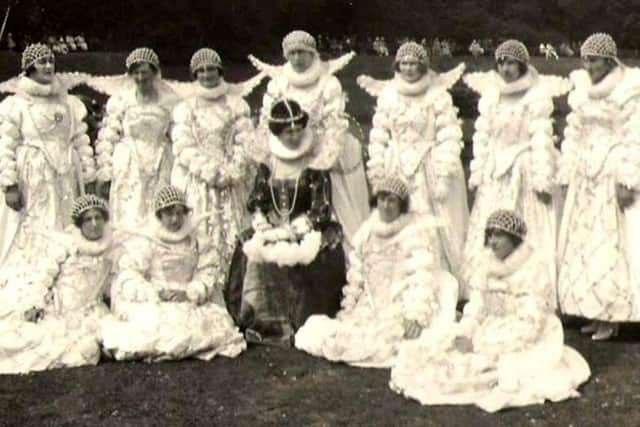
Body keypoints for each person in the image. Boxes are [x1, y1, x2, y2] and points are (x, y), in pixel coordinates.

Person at [390, 210, 591, 413]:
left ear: (514, 239)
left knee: (488, 368)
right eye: (490, 235)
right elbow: (476, 308)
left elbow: (530, 324)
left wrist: (480, 344)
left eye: (499, 236)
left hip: (526, 330)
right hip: (491, 325)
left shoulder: (532, 269)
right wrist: (467, 331)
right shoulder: (486, 265)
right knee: (443, 353)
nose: (493, 242)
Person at [294, 176, 458, 367]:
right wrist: (350, 307)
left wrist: (414, 315)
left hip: (400, 304)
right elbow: (357, 276)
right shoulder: (367, 232)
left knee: (388, 341)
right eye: (382, 199)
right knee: (337, 335)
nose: (386, 205)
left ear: (401, 206)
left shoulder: (413, 234)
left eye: (392, 200)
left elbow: (420, 278)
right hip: (370, 305)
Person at [226, 99, 346, 346]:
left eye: (297, 130)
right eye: (287, 131)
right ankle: (260, 320)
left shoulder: (314, 164)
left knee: (306, 256)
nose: (293, 136)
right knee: (252, 250)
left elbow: (320, 209)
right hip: (272, 227)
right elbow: (257, 199)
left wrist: (293, 230)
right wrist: (262, 223)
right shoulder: (269, 164)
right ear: (277, 133)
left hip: (306, 228)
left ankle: (297, 321)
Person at [461, 40, 569, 302]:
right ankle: (487, 286)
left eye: (511, 63)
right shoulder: (492, 95)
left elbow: (541, 137)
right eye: (501, 63)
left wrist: (542, 176)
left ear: (522, 65)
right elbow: (483, 136)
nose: (506, 68)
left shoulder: (536, 95)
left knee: (529, 222)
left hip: (525, 165)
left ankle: (531, 289)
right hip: (495, 167)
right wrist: (478, 171)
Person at [248, 30, 369, 251]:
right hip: (287, 146)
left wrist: (318, 158)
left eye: (301, 53)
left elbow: (334, 123)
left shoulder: (328, 83)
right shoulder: (278, 84)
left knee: (331, 202)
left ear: (312, 53)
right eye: (292, 53)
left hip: (321, 150)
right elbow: (268, 120)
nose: (297, 58)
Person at [358, 41, 468, 281]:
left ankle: (434, 274)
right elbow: (378, 134)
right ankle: (397, 272)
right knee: (396, 213)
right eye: (404, 64)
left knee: (427, 214)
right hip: (395, 162)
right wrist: (377, 170)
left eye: (413, 64)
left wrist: (443, 174)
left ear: (422, 66)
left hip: (427, 162)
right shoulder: (389, 94)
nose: (408, 68)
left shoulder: (437, 95)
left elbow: (448, 134)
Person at [101, 186, 246, 362]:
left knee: (204, 328)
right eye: (169, 214)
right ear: (159, 216)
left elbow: (207, 270)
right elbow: (130, 272)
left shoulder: (196, 240)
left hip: (187, 296)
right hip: (158, 298)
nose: (175, 219)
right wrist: (155, 292)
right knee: (156, 328)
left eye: (179, 213)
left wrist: (191, 292)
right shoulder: (149, 241)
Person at [557, 33, 640, 340]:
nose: (588, 65)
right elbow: (574, 133)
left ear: (608, 60)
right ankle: (589, 310)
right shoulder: (583, 92)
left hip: (613, 167)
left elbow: (635, 137)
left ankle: (613, 315)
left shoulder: (629, 91)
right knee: (584, 240)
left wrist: (627, 179)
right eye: (585, 59)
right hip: (586, 173)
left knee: (612, 241)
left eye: (593, 60)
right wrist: (568, 170)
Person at [0, 43, 96, 273]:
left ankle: (62, 269)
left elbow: (80, 140)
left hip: (65, 174)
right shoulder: (17, 104)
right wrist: (9, 184)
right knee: (34, 224)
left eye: (51, 61)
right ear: (30, 69)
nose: (48, 66)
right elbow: (6, 144)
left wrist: (88, 174)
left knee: (65, 223)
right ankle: (34, 272)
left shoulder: (68, 103)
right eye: (42, 62)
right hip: (32, 173)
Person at [171, 48, 257, 291]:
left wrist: (232, 170)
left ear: (220, 72)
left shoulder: (235, 105)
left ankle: (235, 287)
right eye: (201, 70)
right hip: (198, 178)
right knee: (201, 230)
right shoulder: (186, 108)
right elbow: (183, 144)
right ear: (194, 74)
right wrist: (208, 171)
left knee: (233, 230)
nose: (206, 74)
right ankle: (202, 285)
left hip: (231, 178)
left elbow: (245, 140)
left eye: (211, 69)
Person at [0, 194, 113, 374]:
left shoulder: (112, 249)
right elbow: (44, 279)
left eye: (98, 218)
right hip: (59, 311)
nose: (94, 224)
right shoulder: (66, 247)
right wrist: (35, 304)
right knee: (25, 340)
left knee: (90, 347)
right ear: (79, 225)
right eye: (88, 219)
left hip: (90, 312)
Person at [91, 47, 180, 229]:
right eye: (136, 73)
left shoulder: (169, 102)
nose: (140, 78)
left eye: (145, 72)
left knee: (157, 207)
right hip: (129, 162)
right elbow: (108, 137)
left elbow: (177, 135)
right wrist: (105, 171)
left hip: (160, 160)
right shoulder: (122, 100)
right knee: (129, 211)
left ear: (155, 73)